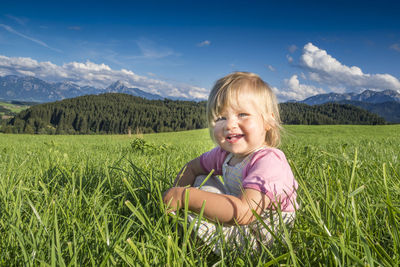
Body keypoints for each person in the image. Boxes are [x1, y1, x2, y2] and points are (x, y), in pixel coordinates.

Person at [163, 72, 298, 252]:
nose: (229, 125)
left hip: (258, 240)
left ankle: (198, 243)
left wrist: (184, 196)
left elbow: (243, 214)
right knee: (201, 177)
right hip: (239, 219)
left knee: (195, 203)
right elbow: (192, 167)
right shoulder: (224, 154)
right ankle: (182, 222)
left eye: (242, 114)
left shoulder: (269, 162)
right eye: (221, 118)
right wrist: (175, 198)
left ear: (268, 121)